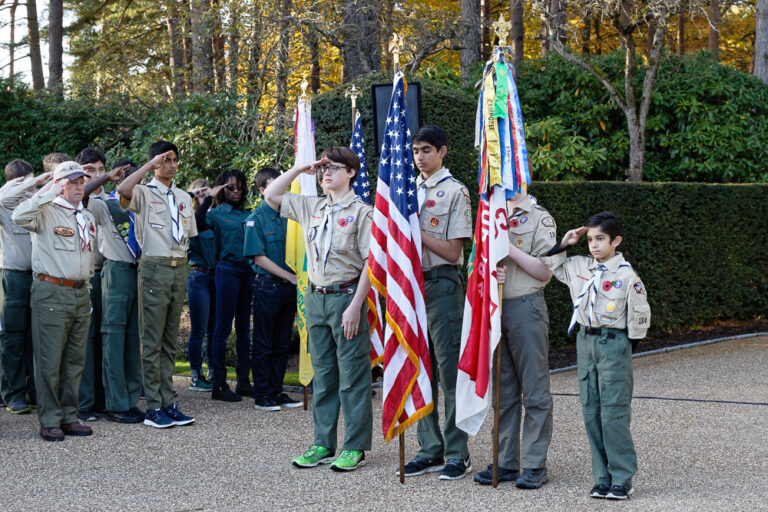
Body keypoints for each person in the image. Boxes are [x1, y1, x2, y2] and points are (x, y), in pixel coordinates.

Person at [264, 147, 373, 472]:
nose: (326, 174)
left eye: (334, 168)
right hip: (315, 297)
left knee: (352, 376)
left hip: (346, 297)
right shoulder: (312, 207)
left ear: (351, 173)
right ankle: (323, 442)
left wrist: (356, 305)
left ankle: (354, 446)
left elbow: (370, 262)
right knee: (324, 375)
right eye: (324, 169)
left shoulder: (362, 212)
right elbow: (271, 194)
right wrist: (300, 169)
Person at [549, 211, 651, 500]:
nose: (593, 245)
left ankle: (622, 477)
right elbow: (549, 264)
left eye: (600, 239)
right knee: (591, 411)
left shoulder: (627, 275)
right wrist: (565, 242)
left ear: (615, 240)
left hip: (613, 343)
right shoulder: (579, 265)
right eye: (591, 239)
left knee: (614, 413)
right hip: (585, 341)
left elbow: (640, 319)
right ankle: (602, 477)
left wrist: (622, 348)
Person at [473, 189, 564, 488]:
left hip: (526, 307)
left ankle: (535, 464)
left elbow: (545, 271)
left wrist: (507, 248)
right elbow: (474, 262)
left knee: (535, 390)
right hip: (494, 307)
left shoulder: (540, 218)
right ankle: (506, 462)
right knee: (503, 391)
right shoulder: (488, 215)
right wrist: (488, 273)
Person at [401, 125, 473, 480]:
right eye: (415, 151)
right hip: (409, 287)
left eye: (426, 150)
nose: (419, 157)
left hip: (441, 286)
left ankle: (458, 452)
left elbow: (453, 250)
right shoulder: (404, 188)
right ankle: (430, 449)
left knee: (448, 372)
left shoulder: (455, 192)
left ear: (442, 151)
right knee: (418, 371)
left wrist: (418, 230)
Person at [12, 161, 96, 441]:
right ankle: (49, 419)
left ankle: (69, 416)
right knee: (49, 361)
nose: (78, 187)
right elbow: (18, 217)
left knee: (74, 360)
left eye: (81, 182)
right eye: (72, 182)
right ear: (59, 185)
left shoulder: (85, 215)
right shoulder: (45, 211)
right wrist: (46, 190)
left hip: (81, 292)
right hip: (51, 292)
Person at [116, 141, 197, 429]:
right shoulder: (143, 193)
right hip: (154, 267)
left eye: (175, 159)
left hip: (178, 268)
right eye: (166, 160)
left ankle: (167, 401)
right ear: (154, 163)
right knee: (150, 340)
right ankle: (152, 405)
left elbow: (187, 235)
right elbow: (122, 191)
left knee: (168, 339)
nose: (172, 165)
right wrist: (149, 166)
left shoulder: (183, 196)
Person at [85, 159, 144, 423]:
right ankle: (115, 403)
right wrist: (106, 177)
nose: (129, 178)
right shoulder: (104, 204)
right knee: (114, 338)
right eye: (124, 175)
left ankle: (130, 398)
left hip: (141, 272)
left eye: (133, 174)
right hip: (116, 271)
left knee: (132, 339)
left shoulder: (143, 203)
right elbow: (83, 193)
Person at [243, 167, 300, 411]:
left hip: (289, 288)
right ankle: (262, 394)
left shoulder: (290, 217)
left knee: (282, 342)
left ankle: (277, 392)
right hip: (267, 286)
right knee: (264, 342)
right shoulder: (255, 218)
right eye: (275, 185)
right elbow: (258, 257)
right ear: (263, 190)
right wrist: (290, 276)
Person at [0, 160, 51, 414]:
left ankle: (33, 391)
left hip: (39, 276)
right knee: (13, 337)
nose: (28, 189)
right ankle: (13, 394)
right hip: (13, 276)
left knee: (36, 337)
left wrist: (36, 188)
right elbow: (6, 196)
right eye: (23, 183)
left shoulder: (34, 202)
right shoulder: (3, 200)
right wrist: (31, 182)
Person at [201, 169, 253, 402]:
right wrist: (209, 198)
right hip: (226, 271)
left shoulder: (247, 215)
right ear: (222, 189)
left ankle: (243, 381)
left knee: (244, 330)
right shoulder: (217, 214)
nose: (236, 191)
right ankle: (219, 384)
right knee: (222, 329)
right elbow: (197, 223)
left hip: (247, 272)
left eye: (239, 187)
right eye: (230, 187)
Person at [75, 148, 108, 422]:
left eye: (100, 169)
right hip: (87, 278)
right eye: (90, 170)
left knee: (104, 341)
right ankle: (83, 402)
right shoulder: (77, 200)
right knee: (85, 342)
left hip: (111, 277)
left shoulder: (111, 199)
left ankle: (102, 398)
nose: (97, 175)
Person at [185, 178, 216, 392]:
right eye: (201, 195)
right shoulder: (190, 220)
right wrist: (200, 198)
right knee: (198, 330)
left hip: (216, 277)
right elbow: (198, 220)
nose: (207, 199)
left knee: (213, 331)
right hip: (198, 278)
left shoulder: (216, 219)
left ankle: (214, 373)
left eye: (209, 194)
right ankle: (196, 376)